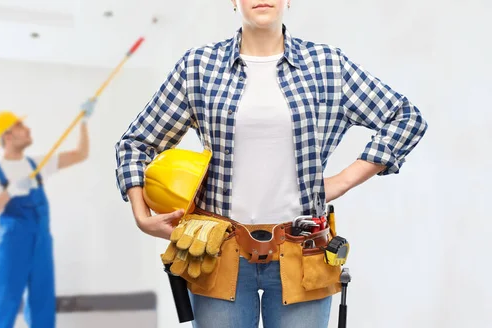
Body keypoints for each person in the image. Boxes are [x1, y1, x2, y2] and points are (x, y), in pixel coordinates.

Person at [114, 0, 428, 327]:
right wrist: (141, 215)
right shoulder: (198, 68)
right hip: (219, 257)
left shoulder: (327, 66)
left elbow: (405, 118)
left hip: (302, 254)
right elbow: (136, 144)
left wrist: (344, 180)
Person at [0, 101, 95, 328]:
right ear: (7, 136)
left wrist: (84, 122)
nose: (28, 129)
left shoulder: (38, 164)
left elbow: (80, 154)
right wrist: (7, 193)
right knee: (2, 303)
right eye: (21, 126)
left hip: (41, 243)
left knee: (42, 306)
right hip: (11, 247)